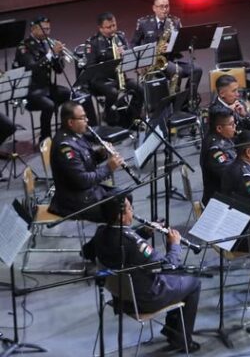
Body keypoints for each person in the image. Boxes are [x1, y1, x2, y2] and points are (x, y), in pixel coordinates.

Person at [82, 196, 201, 353]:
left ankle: (173, 331)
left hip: (120, 296)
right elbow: (169, 266)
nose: (132, 211)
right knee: (193, 282)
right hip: (143, 300)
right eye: (130, 208)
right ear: (120, 216)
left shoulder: (100, 233)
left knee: (178, 280)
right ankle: (181, 340)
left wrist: (144, 232)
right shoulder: (133, 243)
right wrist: (175, 245)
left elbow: (89, 252)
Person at [49, 101, 124, 222]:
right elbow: (83, 180)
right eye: (82, 118)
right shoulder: (65, 147)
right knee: (119, 208)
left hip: (86, 193)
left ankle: (121, 231)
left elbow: (85, 161)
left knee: (124, 196)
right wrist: (108, 168)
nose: (87, 120)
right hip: (75, 202)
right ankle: (113, 233)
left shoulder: (77, 135)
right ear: (70, 122)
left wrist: (102, 153)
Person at [132, 0, 203, 102]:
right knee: (177, 71)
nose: (164, 10)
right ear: (154, 8)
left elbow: (183, 43)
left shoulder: (175, 22)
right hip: (151, 62)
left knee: (197, 70)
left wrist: (171, 46)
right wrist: (139, 63)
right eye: (161, 6)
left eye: (167, 6)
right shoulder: (143, 23)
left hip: (170, 59)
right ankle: (173, 102)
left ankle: (187, 101)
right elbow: (133, 43)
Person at [14, 16, 71, 142]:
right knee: (49, 105)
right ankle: (45, 138)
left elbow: (59, 70)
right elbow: (32, 69)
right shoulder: (24, 46)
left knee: (68, 93)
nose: (47, 32)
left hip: (46, 87)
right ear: (34, 29)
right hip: (30, 91)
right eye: (44, 29)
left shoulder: (47, 43)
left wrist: (58, 56)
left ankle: (65, 130)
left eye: (48, 29)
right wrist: (50, 54)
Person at [84, 12, 144, 127]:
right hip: (101, 80)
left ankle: (132, 118)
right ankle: (110, 120)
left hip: (119, 77)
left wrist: (125, 54)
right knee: (113, 92)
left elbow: (130, 58)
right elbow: (90, 67)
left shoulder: (120, 36)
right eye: (108, 27)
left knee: (139, 89)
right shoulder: (92, 42)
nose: (112, 29)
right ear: (100, 28)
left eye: (114, 25)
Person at [200, 106, 237, 206]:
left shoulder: (220, 136)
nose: (235, 127)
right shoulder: (215, 150)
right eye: (231, 124)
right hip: (220, 201)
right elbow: (230, 175)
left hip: (227, 194)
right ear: (219, 128)